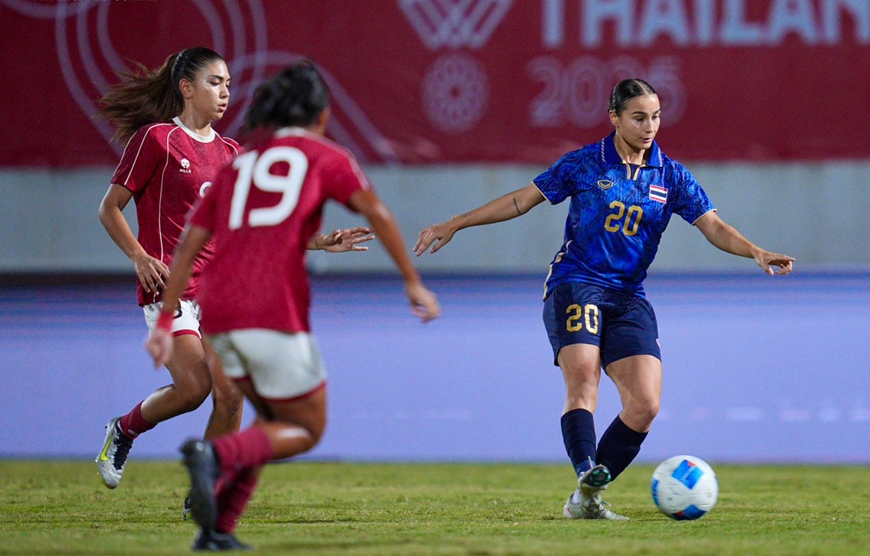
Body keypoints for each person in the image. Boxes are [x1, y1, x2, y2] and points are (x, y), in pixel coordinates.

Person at [414, 78, 794, 520]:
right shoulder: (585, 163)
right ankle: (586, 471)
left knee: (646, 405)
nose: (649, 127)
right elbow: (522, 200)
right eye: (638, 117)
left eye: (655, 117)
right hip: (576, 283)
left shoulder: (671, 176)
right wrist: (456, 222)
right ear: (614, 117)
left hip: (629, 296)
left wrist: (755, 251)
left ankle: (586, 498)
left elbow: (713, 226)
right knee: (584, 385)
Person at [145, 59, 440, 550]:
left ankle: (217, 530)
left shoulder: (239, 164)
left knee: (270, 422)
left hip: (215, 311)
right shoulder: (325, 155)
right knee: (306, 427)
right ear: (322, 115)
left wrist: (164, 323)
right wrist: (413, 283)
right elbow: (378, 213)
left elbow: (190, 242)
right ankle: (215, 457)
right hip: (269, 310)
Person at [95, 47, 373, 506]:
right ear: (186, 88)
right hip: (170, 287)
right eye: (214, 83)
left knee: (230, 396)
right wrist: (140, 257)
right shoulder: (156, 139)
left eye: (227, 83)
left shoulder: (232, 153)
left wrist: (320, 241)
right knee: (194, 389)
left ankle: (204, 492)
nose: (225, 92)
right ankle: (124, 429)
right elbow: (109, 209)